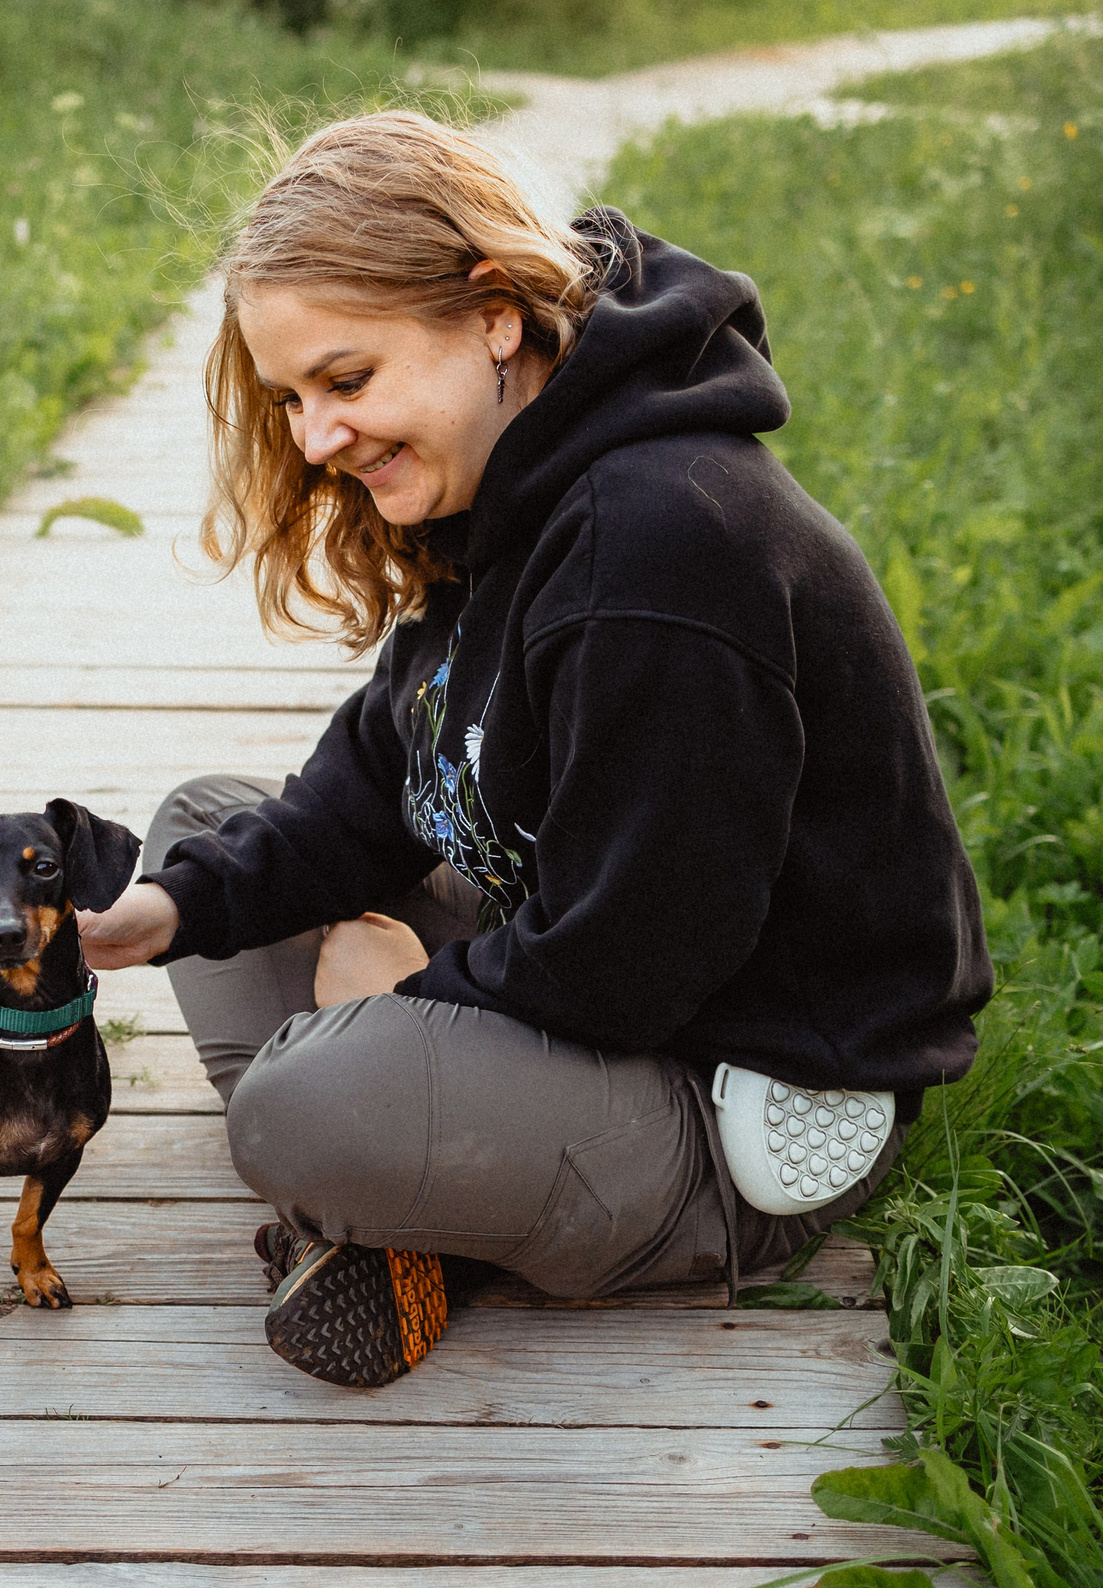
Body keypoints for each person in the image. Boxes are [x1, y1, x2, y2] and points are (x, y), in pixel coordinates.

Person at [77, 111, 992, 1389]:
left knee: (298, 1102)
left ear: (494, 312)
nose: (314, 440)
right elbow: (375, 780)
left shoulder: (661, 541)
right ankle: (409, 1192)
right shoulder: (506, 479)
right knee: (196, 832)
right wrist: (154, 915)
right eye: (292, 399)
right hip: (582, 958)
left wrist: (390, 998)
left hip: (730, 1091)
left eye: (347, 381)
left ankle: (394, 1182)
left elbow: (635, 960)